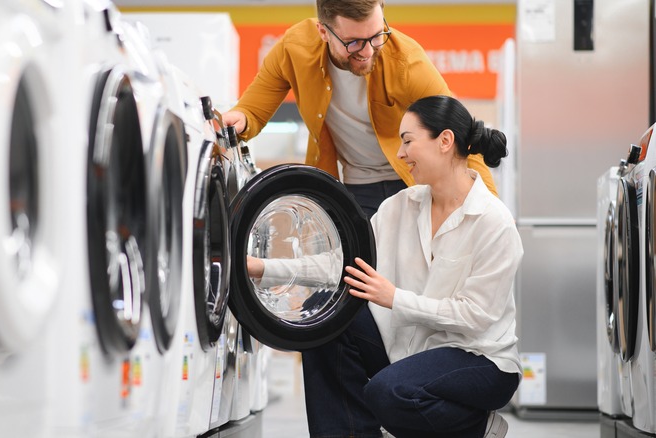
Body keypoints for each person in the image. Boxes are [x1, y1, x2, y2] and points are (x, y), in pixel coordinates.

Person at [248, 95, 522, 438]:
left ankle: (477, 426)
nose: (401, 153)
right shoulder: (399, 207)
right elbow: (343, 266)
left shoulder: (493, 222)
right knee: (321, 315)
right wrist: (262, 267)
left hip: (480, 358)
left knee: (388, 392)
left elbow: (475, 316)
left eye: (408, 140)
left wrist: (394, 297)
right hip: (413, 349)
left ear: (445, 141)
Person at [222, 0, 498, 217]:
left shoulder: (408, 63)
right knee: (358, 276)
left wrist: (491, 209)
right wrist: (239, 120)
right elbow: (252, 111)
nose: (367, 51)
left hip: (416, 183)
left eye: (377, 36)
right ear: (323, 31)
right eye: (353, 42)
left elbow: (462, 138)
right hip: (356, 187)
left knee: (416, 278)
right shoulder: (294, 49)